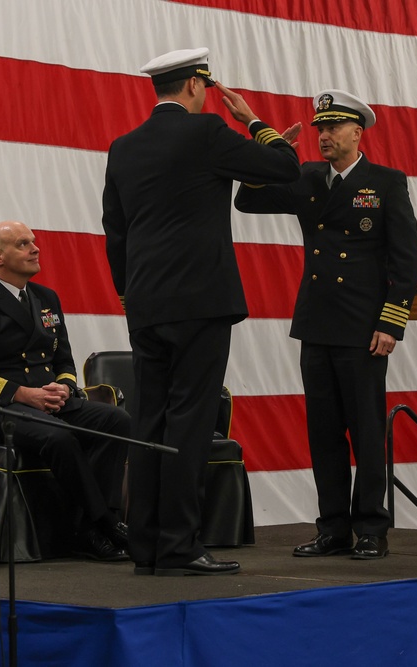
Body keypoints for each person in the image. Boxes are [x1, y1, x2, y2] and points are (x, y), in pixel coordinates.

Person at [101, 47, 300, 576]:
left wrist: (129, 294)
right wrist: (254, 121)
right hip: (200, 302)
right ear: (195, 85)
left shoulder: (123, 148)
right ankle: (181, 546)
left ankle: (145, 546)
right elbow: (285, 167)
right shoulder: (208, 133)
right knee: (190, 423)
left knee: (149, 423)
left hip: (144, 304)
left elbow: (115, 232)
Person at [235, 90, 417, 560]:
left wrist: (391, 322)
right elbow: (247, 201)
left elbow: (407, 258)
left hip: (363, 327)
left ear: (358, 133)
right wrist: (268, 148)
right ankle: (334, 527)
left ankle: (371, 529)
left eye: (334, 128)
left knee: (365, 430)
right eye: (320, 129)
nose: (324, 136)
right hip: (317, 323)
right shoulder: (308, 177)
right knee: (323, 434)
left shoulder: (385, 182)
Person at [0, 221, 131, 562]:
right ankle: (105, 522)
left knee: (116, 421)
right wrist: (23, 395)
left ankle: (89, 528)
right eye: (23, 243)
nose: (35, 248)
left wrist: (66, 387)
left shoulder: (46, 298)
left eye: (33, 241)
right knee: (59, 437)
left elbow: (64, 357)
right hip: (3, 407)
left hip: (49, 399)